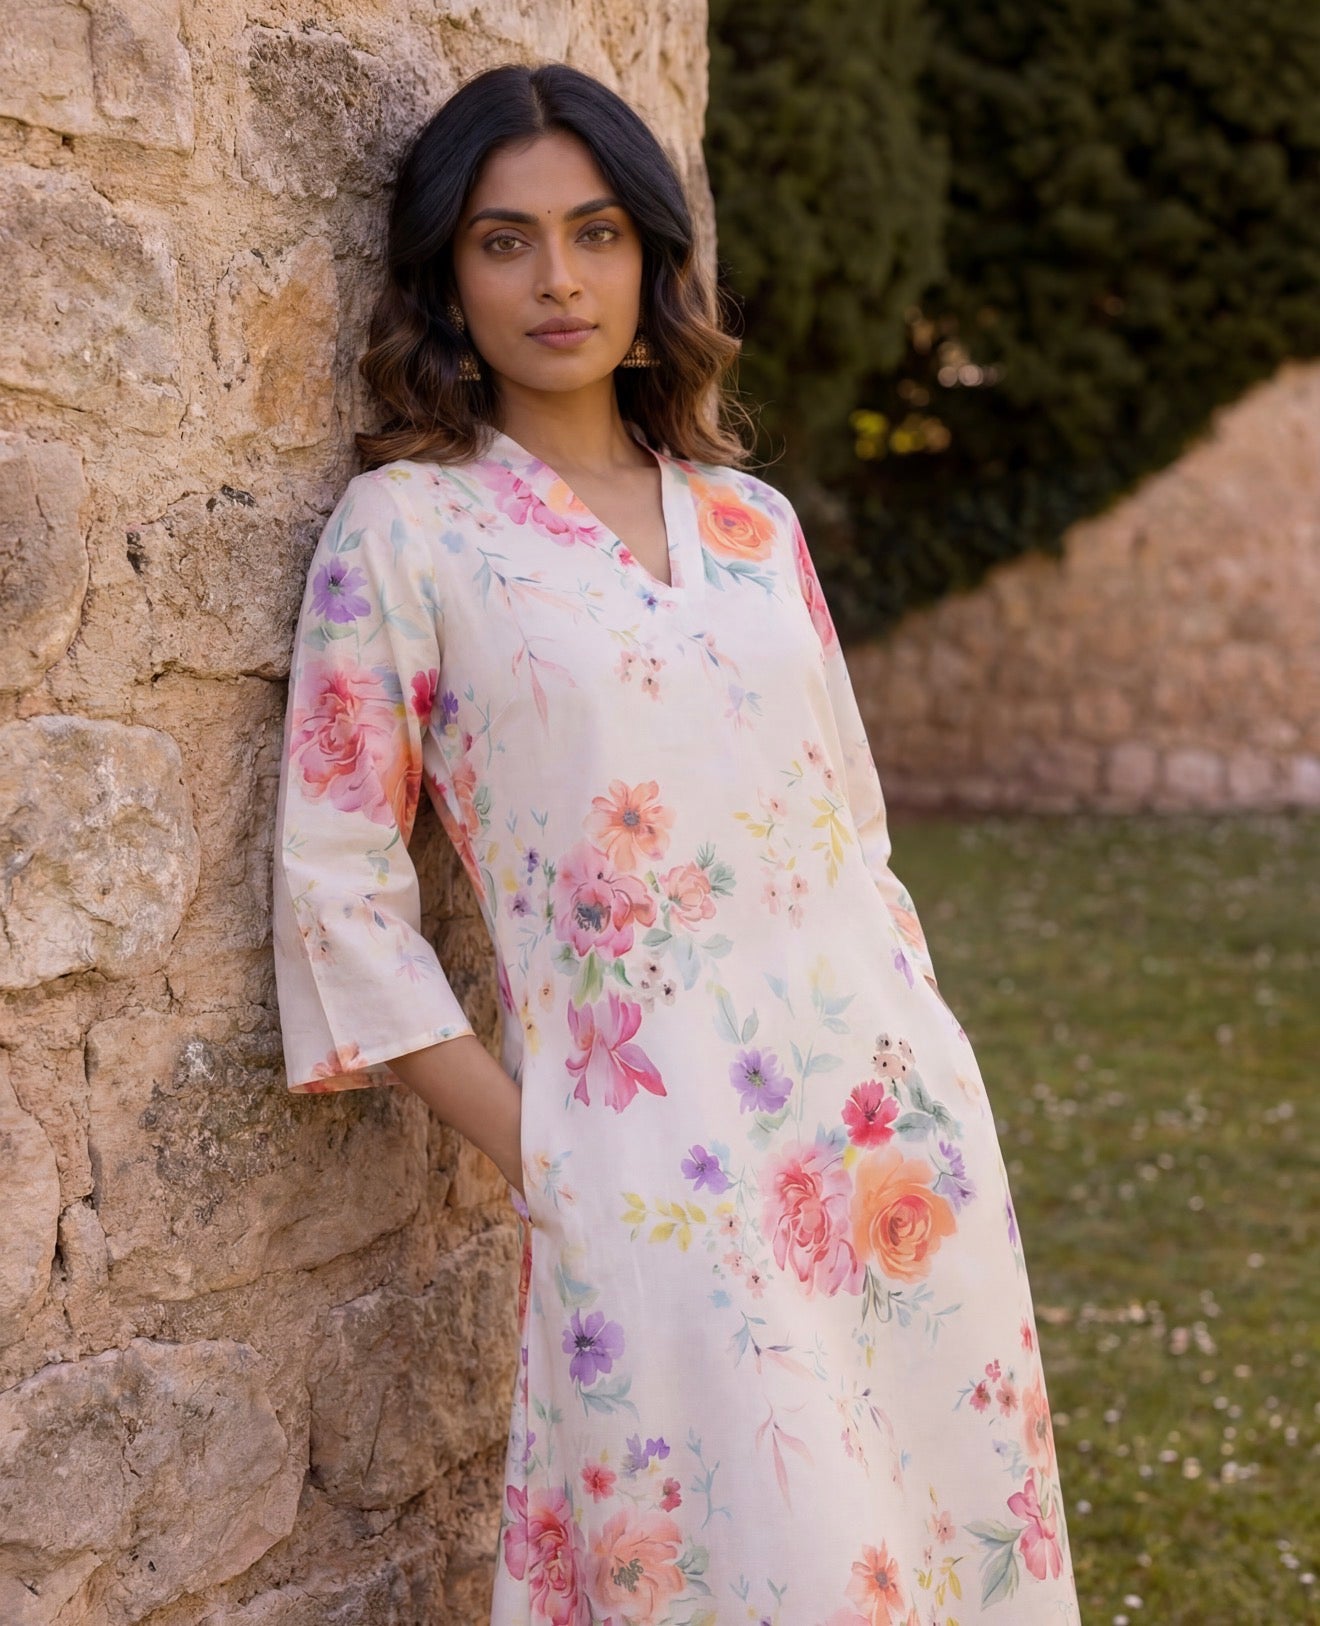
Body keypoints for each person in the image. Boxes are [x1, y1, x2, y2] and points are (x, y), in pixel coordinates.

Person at [270, 60, 1083, 1626]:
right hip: (649, 1159)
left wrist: (927, 1048)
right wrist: (544, 1148)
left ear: (651, 255)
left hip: (889, 1126)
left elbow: (852, 828)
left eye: (595, 232)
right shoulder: (409, 533)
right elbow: (336, 889)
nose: (557, 279)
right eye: (504, 241)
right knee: (758, 1562)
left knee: (937, 1542)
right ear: (447, 274)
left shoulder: (753, 524)